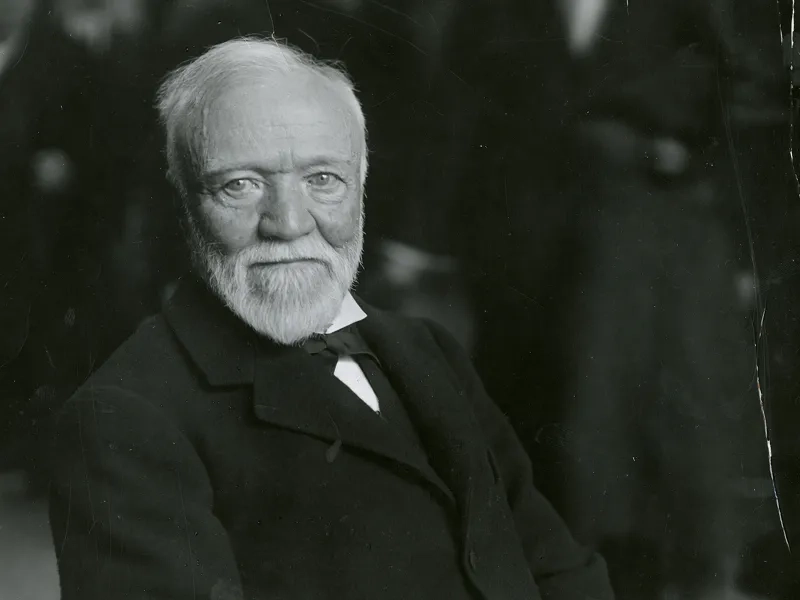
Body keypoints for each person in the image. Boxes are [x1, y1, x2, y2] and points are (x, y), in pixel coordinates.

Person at [47, 38, 615, 600]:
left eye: (323, 179)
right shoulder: (124, 418)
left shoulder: (427, 349)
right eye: (241, 185)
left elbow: (559, 569)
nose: (289, 223)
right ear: (183, 203)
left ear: (361, 189)